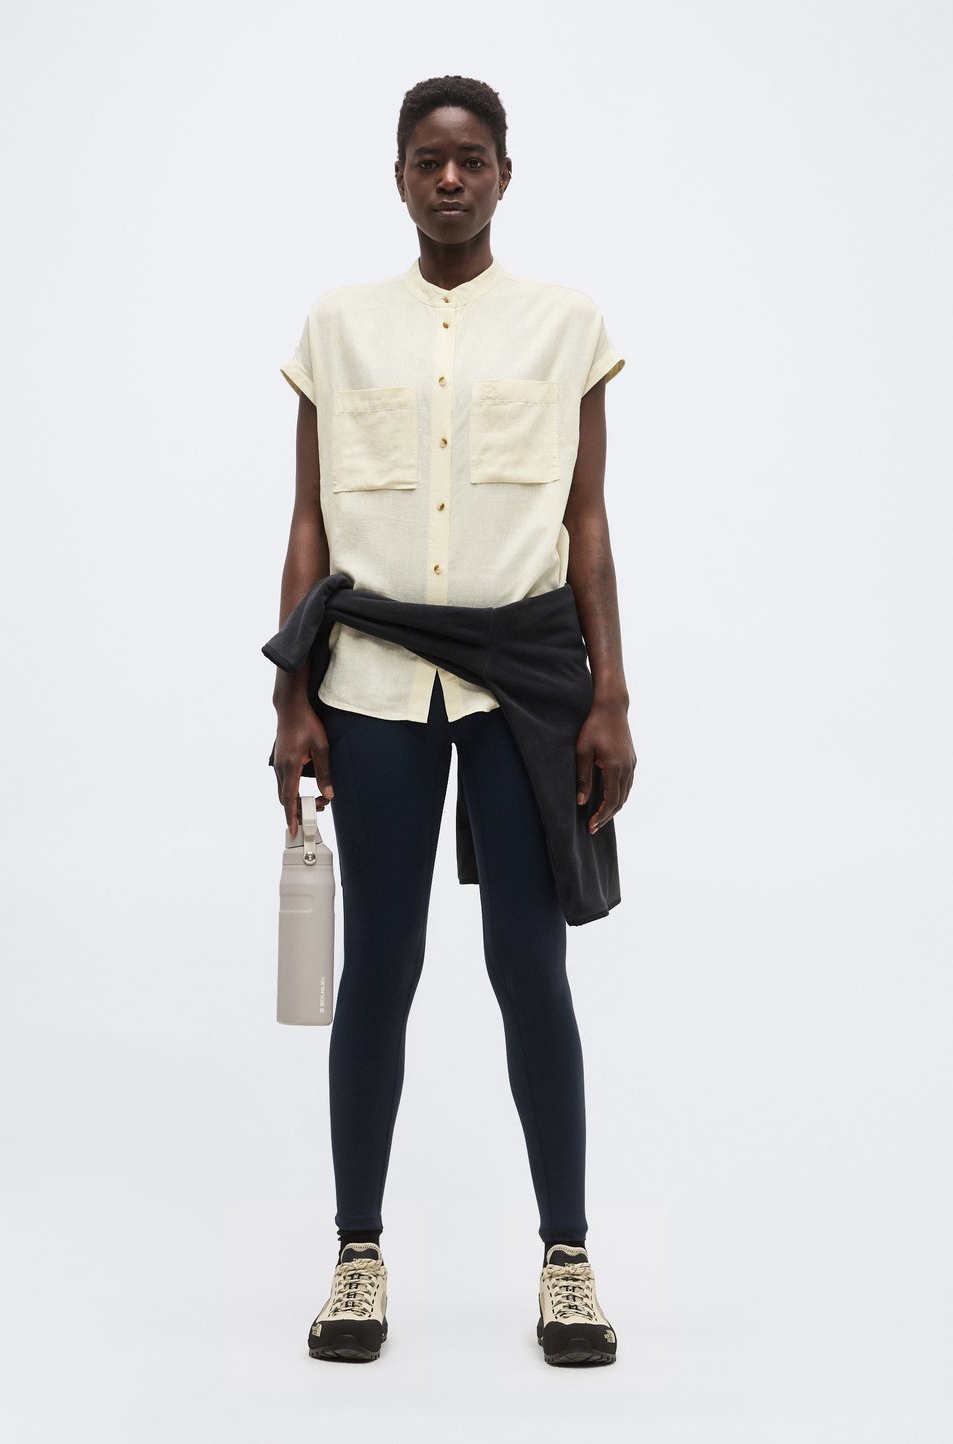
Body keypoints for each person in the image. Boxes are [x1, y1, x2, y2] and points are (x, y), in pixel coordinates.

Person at [270, 75, 636, 1367]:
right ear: (399, 176)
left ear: (503, 175)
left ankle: (568, 1260)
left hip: (524, 688)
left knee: (530, 969)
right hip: (372, 685)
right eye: (428, 160)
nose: (449, 179)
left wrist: (610, 694)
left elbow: (586, 520)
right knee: (381, 967)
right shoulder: (339, 326)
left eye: (471, 159)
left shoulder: (564, 324)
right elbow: (309, 521)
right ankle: (356, 1254)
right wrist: (290, 695)